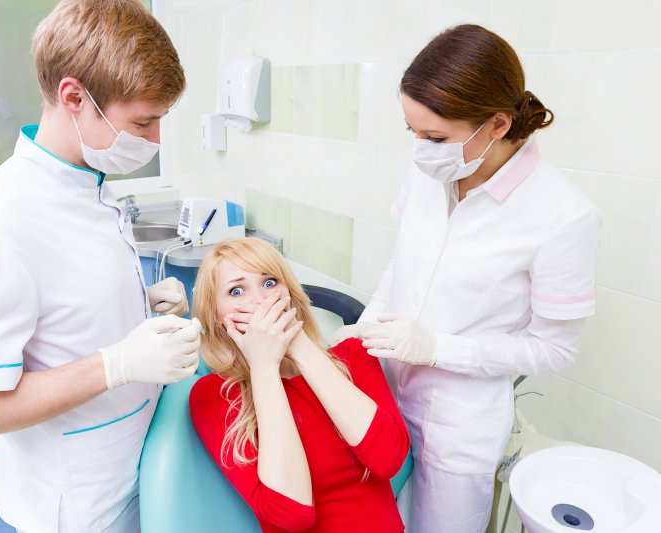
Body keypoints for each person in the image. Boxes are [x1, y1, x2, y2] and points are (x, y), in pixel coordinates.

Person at [0, 1, 200, 531]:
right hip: (78, 508)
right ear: (74, 97)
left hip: (132, 473)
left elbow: (58, 312)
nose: (155, 141)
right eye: (143, 122)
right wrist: (115, 364)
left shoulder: (89, 184)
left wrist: (132, 305)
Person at [332, 24, 600, 533]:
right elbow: (402, 262)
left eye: (434, 137)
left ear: (497, 124)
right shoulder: (429, 170)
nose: (419, 148)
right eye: (411, 130)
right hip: (381, 398)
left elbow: (554, 349)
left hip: (457, 427)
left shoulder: (562, 216)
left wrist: (437, 349)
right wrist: (359, 337)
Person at [189, 238, 410, 533]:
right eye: (237, 290)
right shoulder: (216, 395)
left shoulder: (354, 356)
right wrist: (264, 367)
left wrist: (300, 346)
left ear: (289, 295)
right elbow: (292, 515)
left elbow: (389, 459)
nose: (261, 301)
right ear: (216, 318)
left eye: (269, 283)